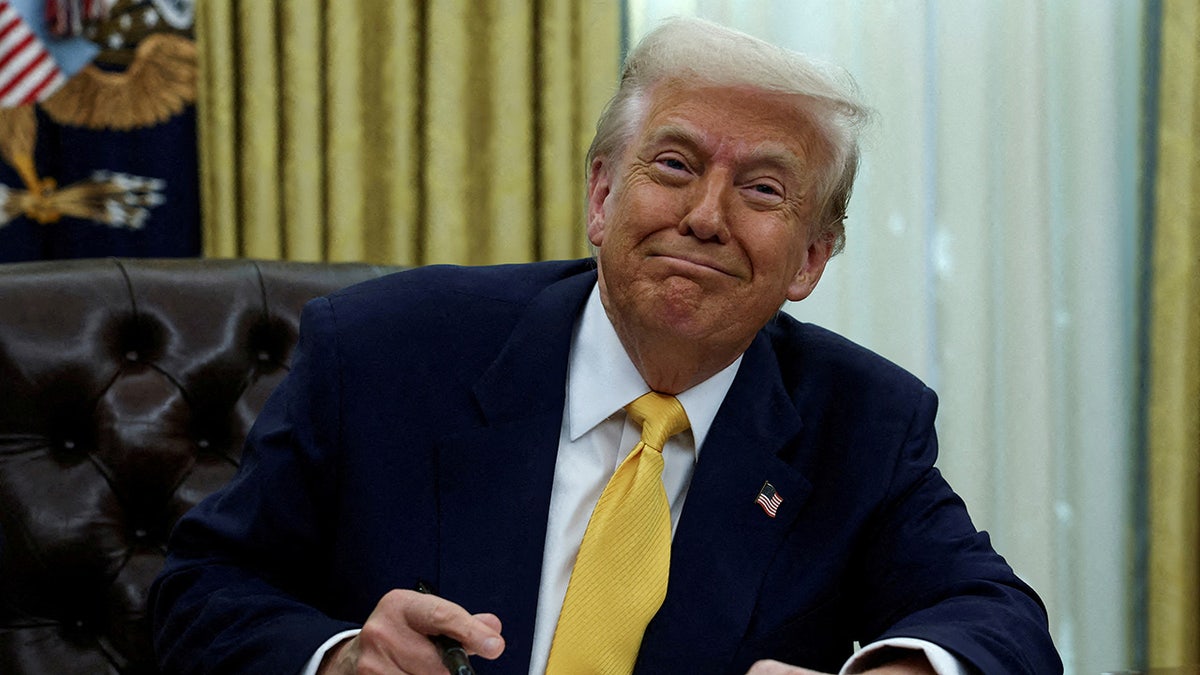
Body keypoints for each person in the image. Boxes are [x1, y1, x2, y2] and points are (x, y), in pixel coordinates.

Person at [150, 17, 1061, 675]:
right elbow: (201, 592)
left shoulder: (862, 421)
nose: (704, 217)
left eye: (763, 190)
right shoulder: (387, 350)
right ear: (600, 196)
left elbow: (1000, 620)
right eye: (673, 165)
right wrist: (340, 656)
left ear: (811, 260)